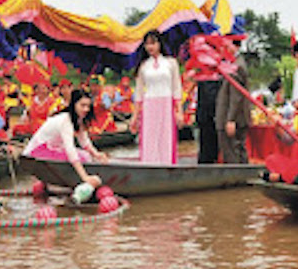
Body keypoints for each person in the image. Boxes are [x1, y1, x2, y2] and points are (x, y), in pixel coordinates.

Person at [22, 90, 119, 211]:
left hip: (53, 148)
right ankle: (77, 187)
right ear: (74, 105)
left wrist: (97, 154)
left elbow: (85, 142)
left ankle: (74, 184)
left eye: (88, 106)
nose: (86, 109)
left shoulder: (79, 119)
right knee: (82, 157)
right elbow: (70, 150)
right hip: (39, 151)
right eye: (82, 106)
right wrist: (85, 177)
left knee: (86, 156)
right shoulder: (65, 120)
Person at [129, 30, 181, 164]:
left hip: (166, 104)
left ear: (160, 43)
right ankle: (149, 164)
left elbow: (176, 88)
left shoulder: (171, 63)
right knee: (149, 136)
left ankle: (167, 164)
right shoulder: (143, 66)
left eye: (153, 43)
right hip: (149, 104)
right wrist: (135, 116)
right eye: (147, 44)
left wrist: (179, 111)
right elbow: (139, 92)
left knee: (166, 136)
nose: (150, 47)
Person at [215, 39, 251, 164]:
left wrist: (231, 119)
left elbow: (237, 96)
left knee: (233, 152)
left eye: (226, 44)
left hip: (232, 118)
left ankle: (237, 179)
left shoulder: (237, 66)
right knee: (235, 150)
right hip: (229, 116)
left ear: (235, 46)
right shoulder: (229, 64)